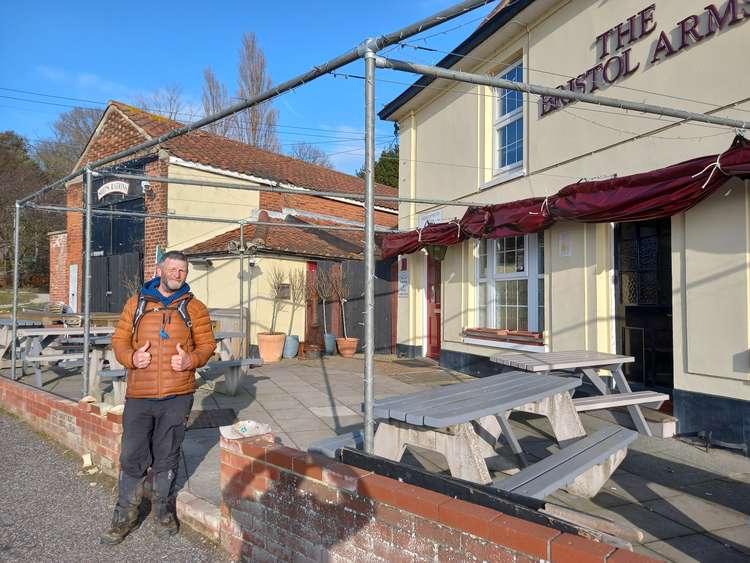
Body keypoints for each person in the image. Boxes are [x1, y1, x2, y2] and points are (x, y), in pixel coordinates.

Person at [100, 251, 216, 545]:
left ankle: (162, 514)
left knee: (167, 456)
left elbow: (207, 345)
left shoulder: (195, 309)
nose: (178, 274)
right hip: (140, 396)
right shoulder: (136, 304)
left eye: (183, 271)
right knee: (132, 458)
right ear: (160, 270)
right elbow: (119, 340)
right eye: (174, 269)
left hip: (178, 396)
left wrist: (190, 360)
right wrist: (130, 357)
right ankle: (123, 519)